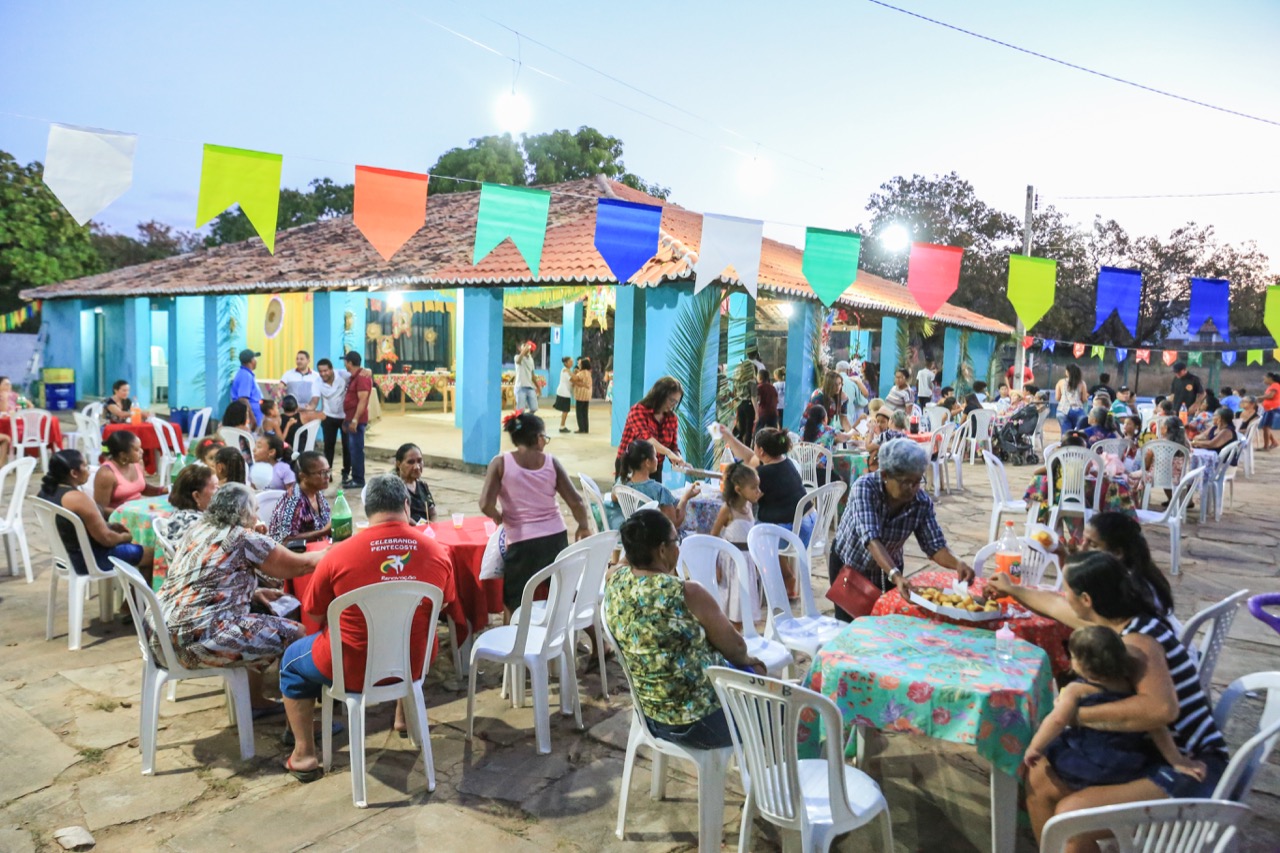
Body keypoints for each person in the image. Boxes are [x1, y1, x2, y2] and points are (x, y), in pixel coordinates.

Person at [988, 553, 1228, 841]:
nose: (1063, 595)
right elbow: (1054, 605)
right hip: (1143, 750)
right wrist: (1011, 589)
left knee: (1071, 817)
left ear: (1086, 600)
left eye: (1066, 589)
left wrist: (1074, 714)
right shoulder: (1112, 627)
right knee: (1039, 776)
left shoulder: (1139, 641)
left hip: (1190, 763)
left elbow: (1161, 710)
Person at [278, 474, 456, 781]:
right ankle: (403, 718)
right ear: (406, 504)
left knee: (291, 662)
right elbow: (443, 605)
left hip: (350, 666)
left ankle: (304, 755)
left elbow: (315, 613)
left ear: (366, 508)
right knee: (408, 630)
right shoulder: (437, 552)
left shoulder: (338, 555)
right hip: (413, 661)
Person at [602, 509, 765, 749]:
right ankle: (767, 761)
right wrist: (752, 663)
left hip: (650, 716)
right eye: (675, 540)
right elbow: (736, 649)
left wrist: (633, 552)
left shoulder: (616, 580)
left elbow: (617, 567)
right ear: (662, 550)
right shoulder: (687, 593)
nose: (678, 547)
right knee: (772, 695)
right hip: (700, 724)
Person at [157, 483, 323, 718]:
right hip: (195, 642)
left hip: (161, 637)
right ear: (245, 513)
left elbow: (204, 579)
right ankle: (302, 725)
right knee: (296, 635)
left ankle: (255, 702)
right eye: (255, 510)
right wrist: (339, 550)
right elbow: (301, 565)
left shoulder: (198, 529)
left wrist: (252, 592)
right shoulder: (242, 538)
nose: (257, 516)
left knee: (262, 613)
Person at [1024, 625, 1204, 791]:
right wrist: (1177, 760)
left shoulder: (1076, 690)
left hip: (1091, 764)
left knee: (1054, 748)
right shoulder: (1131, 688)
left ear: (1081, 664)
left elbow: (1057, 720)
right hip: (1128, 765)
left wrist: (1035, 748)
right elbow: (1157, 727)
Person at [829, 439, 972, 621]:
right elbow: (871, 540)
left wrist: (958, 563)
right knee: (851, 625)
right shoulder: (864, 488)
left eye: (917, 481)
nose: (912, 488)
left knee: (888, 624)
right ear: (885, 475)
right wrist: (896, 575)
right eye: (905, 482)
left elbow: (935, 546)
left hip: (889, 569)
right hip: (851, 567)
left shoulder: (920, 502)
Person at [479, 411, 591, 614]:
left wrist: (498, 517)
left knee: (516, 599)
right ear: (538, 438)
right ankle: (585, 630)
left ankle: (517, 632)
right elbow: (576, 501)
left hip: (521, 542)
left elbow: (485, 503)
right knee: (563, 590)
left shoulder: (500, 463)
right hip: (554, 538)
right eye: (545, 437)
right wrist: (583, 525)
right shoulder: (551, 462)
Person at [38, 449, 145, 578]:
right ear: (74, 473)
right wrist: (126, 537)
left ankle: (132, 591)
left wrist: (109, 526)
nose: (88, 471)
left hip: (65, 558)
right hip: (90, 561)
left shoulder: (44, 493)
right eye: (85, 466)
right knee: (151, 552)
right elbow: (107, 539)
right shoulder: (77, 498)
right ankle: (141, 591)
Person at [709, 462, 764, 624]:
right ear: (738, 490)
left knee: (745, 606)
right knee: (732, 606)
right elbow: (713, 537)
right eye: (753, 488)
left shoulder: (749, 506)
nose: (758, 491)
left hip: (747, 562)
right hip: (731, 563)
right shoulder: (728, 510)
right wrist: (714, 565)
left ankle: (741, 632)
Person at [608, 439, 700, 530]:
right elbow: (673, 523)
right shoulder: (659, 491)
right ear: (647, 462)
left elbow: (614, 498)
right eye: (655, 456)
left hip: (632, 534)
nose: (657, 460)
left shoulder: (621, 482)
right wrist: (685, 498)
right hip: (654, 537)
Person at [618, 377, 685, 478]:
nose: (673, 405)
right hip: (633, 466)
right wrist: (668, 452)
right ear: (660, 395)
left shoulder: (672, 418)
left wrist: (678, 458)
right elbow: (647, 439)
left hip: (655, 467)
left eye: (676, 402)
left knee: (654, 488)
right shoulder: (638, 411)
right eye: (671, 400)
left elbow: (673, 446)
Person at [94, 430, 167, 512]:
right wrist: (126, 514)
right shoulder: (106, 474)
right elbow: (101, 509)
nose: (142, 451)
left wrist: (164, 490)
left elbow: (142, 488)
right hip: (118, 516)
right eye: (137, 450)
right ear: (123, 454)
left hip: (138, 512)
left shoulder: (138, 463)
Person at [268, 451, 331, 542]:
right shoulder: (292, 501)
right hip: (296, 550)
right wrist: (322, 532)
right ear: (303, 476)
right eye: (322, 472)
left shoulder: (317, 493)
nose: (327, 477)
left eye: (328, 471)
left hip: (319, 546)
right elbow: (286, 539)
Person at [154, 464, 219, 546]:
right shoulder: (199, 526)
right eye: (215, 487)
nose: (220, 490)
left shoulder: (179, 514)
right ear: (196, 496)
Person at [316, 358, 350, 484]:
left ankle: (346, 473)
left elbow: (359, 373)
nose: (323, 374)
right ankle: (327, 474)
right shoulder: (317, 381)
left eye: (325, 370)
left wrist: (367, 371)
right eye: (320, 371)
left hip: (345, 417)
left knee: (347, 446)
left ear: (331, 369)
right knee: (328, 447)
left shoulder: (343, 375)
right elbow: (315, 399)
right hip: (328, 417)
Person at [341, 351, 372, 489]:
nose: (344, 364)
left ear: (349, 363)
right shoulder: (354, 377)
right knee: (352, 449)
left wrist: (355, 420)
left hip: (357, 420)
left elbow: (363, 400)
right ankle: (355, 477)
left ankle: (358, 479)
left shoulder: (362, 378)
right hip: (351, 418)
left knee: (356, 450)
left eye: (345, 361)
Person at [393, 443, 436, 524]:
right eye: (410, 462)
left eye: (419, 461)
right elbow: (400, 516)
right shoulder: (394, 489)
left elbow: (433, 512)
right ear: (398, 464)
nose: (417, 467)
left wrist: (432, 525)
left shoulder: (423, 486)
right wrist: (418, 526)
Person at [229, 349, 263, 430]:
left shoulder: (245, 374)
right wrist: (252, 417)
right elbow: (243, 399)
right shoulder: (245, 375)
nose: (256, 361)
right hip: (251, 419)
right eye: (255, 358)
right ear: (251, 361)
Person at [1055, 364, 1089, 433]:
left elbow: (1057, 398)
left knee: (1066, 433)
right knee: (1079, 432)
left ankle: (1066, 439)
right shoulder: (1082, 383)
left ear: (1068, 372)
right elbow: (1084, 399)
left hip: (1062, 410)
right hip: (1077, 410)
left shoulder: (1060, 382)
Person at [513, 340, 539, 413]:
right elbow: (518, 361)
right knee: (520, 411)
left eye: (527, 346)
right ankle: (520, 419)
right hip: (520, 387)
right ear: (520, 348)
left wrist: (538, 387)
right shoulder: (517, 357)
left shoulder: (531, 360)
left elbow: (532, 375)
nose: (526, 347)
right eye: (524, 346)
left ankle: (527, 418)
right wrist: (524, 351)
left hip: (530, 387)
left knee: (534, 408)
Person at [572, 356, 593, 434]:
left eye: (580, 364)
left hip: (580, 395)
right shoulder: (589, 373)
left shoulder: (581, 373)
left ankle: (581, 428)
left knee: (579, 412)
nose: (579, 365)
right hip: (587, 395)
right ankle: (586, 428)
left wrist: (573, 374)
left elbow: (574, 380)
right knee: (585, 412)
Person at [553, 356, 573, 433]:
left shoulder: (567, 370)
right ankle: (562, 426)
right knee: (565, 410)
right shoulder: (565, 371)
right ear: (566, 363)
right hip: (564, 393)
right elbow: (573, 379)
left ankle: (562, 425)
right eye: (570, 362)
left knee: (565, 410)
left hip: (565, 392)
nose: (572, 363)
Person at [1261, 370, 1280, 451]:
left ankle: (1266, 446)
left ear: (1270, 378)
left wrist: (1258, 398)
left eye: (1265, 378)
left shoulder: (1275, 385)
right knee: (1265, 427)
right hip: (1268, 408)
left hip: (1272, 408)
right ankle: (1273, 442)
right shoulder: (1272, 386)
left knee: (1266, 427)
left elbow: (1270, 396)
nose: (1264, 380)